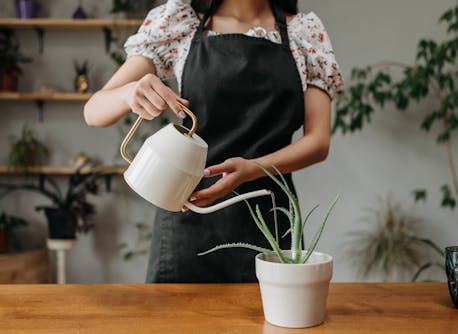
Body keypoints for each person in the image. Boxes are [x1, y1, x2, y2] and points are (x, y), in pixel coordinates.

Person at [84, 0, 343, 283]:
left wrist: (253, 168)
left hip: (269, 223)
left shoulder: (304, 33)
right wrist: (130, 92)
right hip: (188, 220)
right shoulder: (179, 23)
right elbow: (94, 111)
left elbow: (318, 142)